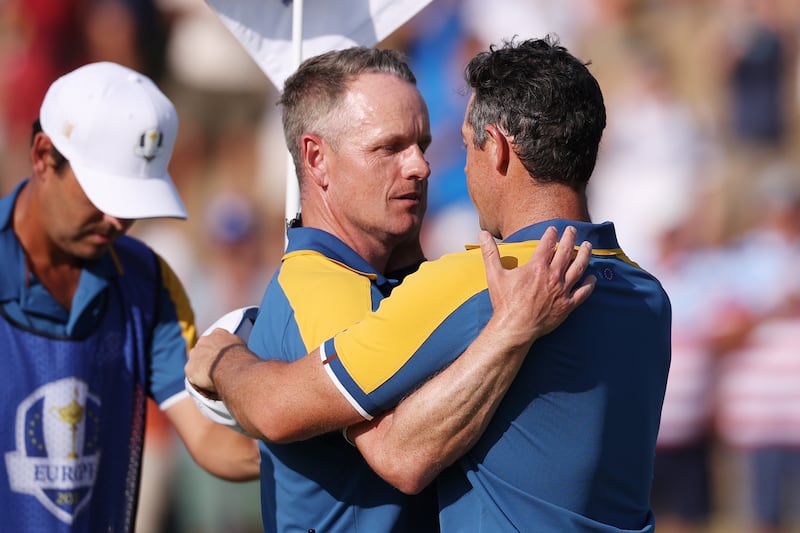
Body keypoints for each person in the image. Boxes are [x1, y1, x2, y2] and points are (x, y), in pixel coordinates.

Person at [187, 36, 661, 531]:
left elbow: (395, 452)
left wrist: (221, 358)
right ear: (317, 158)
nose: (422, 166)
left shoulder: (467, 286)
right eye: (389, 147)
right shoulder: (647, 294)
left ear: (495, 148)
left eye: (431, 145)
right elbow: (276, 421)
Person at [0, 61, 259, 533]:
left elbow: (206, 436)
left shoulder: (149, 281)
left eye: (133, 202)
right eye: (103, 195)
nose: (119, 220)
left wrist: (312, 443)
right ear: (42, 156)